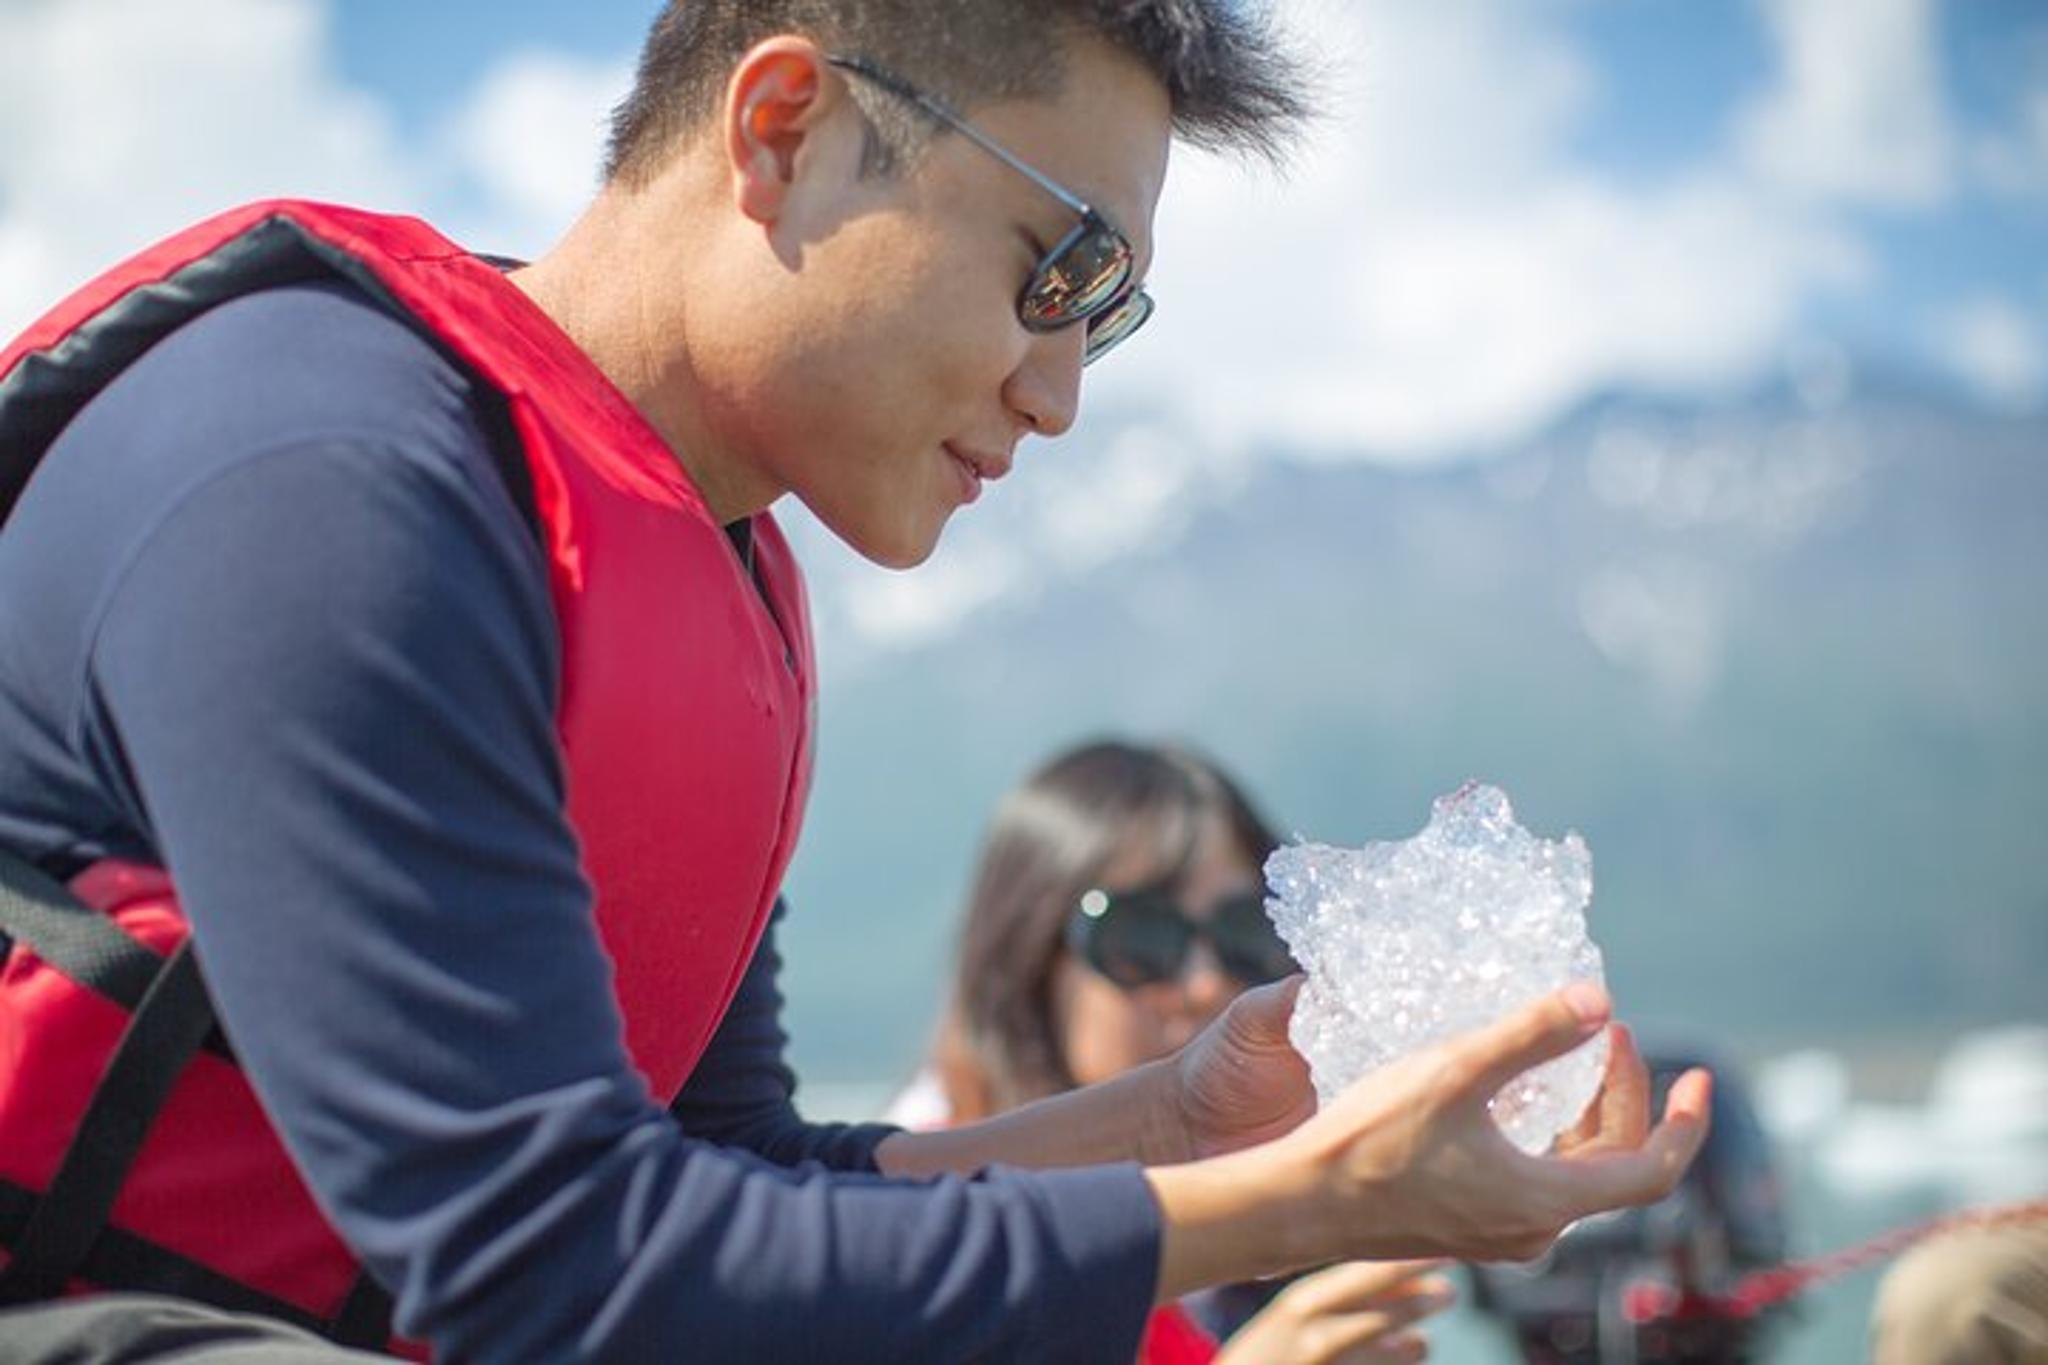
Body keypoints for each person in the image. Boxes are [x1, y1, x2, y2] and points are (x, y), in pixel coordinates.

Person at [0, 3, 1713, 1361]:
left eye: (1107, 321)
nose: (1058, 394)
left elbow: (729, 1180)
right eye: (1055, 273)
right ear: (783, 129)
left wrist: (1179, 1125)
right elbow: (550, 1269)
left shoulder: (725, 585)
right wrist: (1297, 1204)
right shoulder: (330, 478)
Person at [895, 738, 1457, 1364]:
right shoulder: (914, 1227)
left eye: (1247, 930)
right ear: (1026, 961)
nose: (1204, 982)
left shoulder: (1293, 1217)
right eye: (1142, 937)